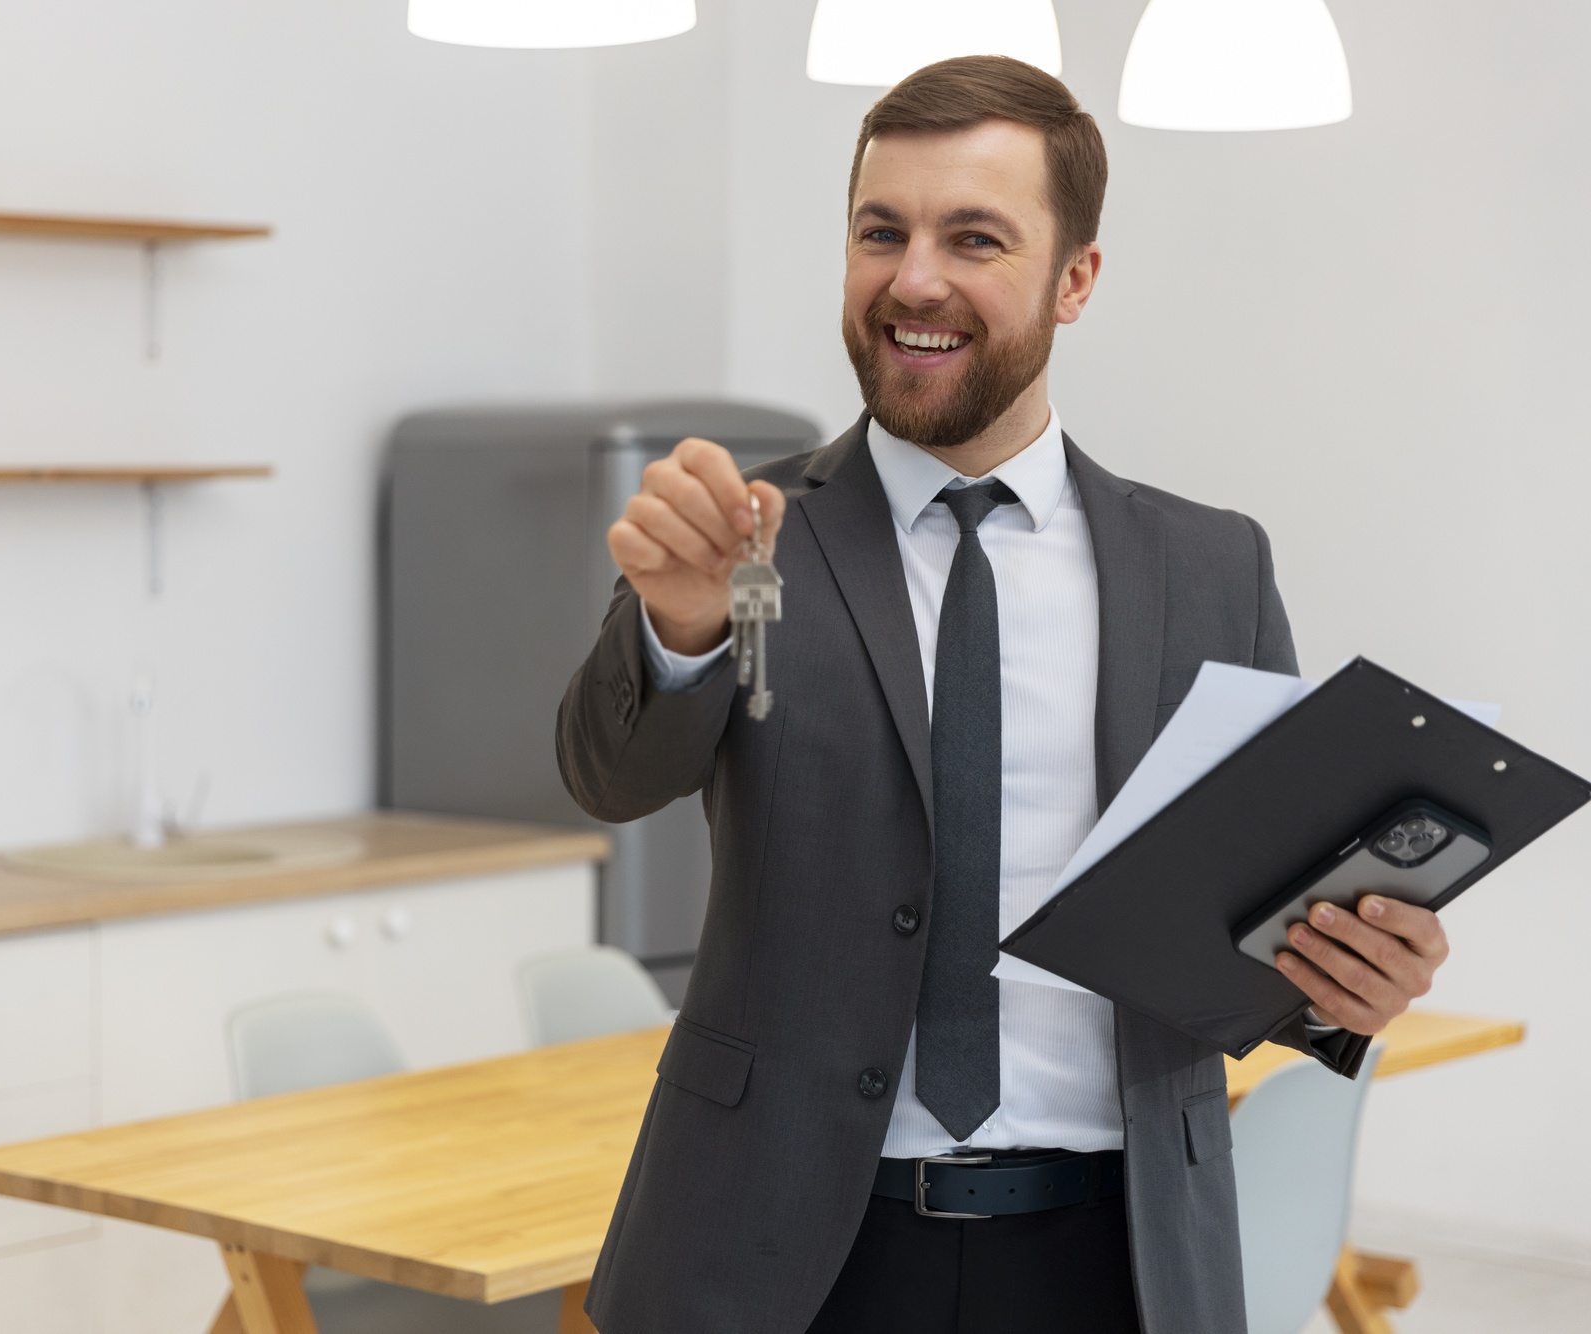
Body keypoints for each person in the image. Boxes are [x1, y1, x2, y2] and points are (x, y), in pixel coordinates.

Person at [555, 56, 1449, 1334]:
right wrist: (678, 625)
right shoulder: (745, 536)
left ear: (1073, 279)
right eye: (880, 232)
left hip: (1115, 1260)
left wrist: (1344, 977)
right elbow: (608, 775)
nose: (913, 279)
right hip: (777, 1249)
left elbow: (1264, 903)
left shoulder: (1210, 566)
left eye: (971, 238)